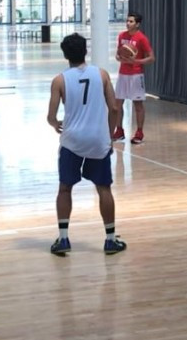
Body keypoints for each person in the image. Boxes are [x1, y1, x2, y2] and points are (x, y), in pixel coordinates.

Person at [47, 33, 127, 256]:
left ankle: (63, 239)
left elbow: (51, 116)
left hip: (72, 140)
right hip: (97, 139)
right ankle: (110, 241)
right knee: (104, 189)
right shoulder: (101, 74)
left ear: (65, 55)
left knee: (65, 188)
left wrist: (55, 124)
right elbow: (114, 108)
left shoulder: (59, 80)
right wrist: (108, 136)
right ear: (86, 51)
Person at [111, 12, 154, 144]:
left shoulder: (142, 38)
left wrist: (137, 61)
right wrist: (118, 57)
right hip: (123, 74)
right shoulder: (121, 36)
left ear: (137, 24)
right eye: (127, 21)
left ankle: (139, 133)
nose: (128, 23)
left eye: (131, 21)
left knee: (138, 105)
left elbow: (152, 58)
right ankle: (119, 131)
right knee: (117, 105)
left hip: (136, 75)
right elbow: (118, 54)